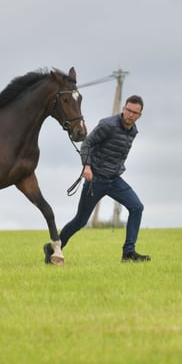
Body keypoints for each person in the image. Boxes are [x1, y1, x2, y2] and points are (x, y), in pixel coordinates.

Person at [45, 94, 150, 263]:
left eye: (134, 113)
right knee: (80, 220)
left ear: (139, 115)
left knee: (137, 207)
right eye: (128, 110)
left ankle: (128, 253)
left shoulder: (133, 131)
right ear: (123, 108)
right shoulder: (107, 125)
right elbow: (87, 144)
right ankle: (53, 248)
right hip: (96, 180)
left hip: (115, 180)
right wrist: (87, 166)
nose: (130, 114)